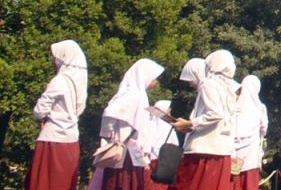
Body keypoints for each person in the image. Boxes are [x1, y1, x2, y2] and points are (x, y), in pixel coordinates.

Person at [172, 50, 239, 190]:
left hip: (203, 149)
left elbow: (215, 114)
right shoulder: (230, 87)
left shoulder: (208, 83)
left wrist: (190, 123)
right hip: (221, 149)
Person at [26, 40, 88, 190]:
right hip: (71, 139)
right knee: (63, 183)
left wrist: (42, 118)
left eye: (54, 57)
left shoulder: (59, 81)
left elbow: (39, 110)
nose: (53, 60)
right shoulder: (81, 84)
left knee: (45, 182)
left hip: (52, 138)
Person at [95, 58, 165, 190]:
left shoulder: (138, 94)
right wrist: (109, 134)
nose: (155, 82)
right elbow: (110, 112)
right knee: (123, 182)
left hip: (132, 150)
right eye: (154, 78)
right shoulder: (133, 95)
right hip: (126, 150)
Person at [232, 76, 268, 190]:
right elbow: (264, 129)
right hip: (251, 156)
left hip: (234, 155)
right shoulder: (260, 108)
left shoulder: (234, 105)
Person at [141, 100, 178, 190]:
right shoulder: (169, 128)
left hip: (148, 163)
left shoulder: (147, 125)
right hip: (164, 166)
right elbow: (175, 146)